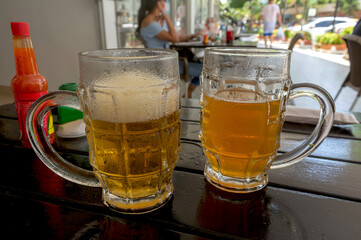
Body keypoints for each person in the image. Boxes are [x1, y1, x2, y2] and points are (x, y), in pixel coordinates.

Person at [136, 0, 202, 98]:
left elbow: (175, 37)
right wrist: (166, 17)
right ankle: (187, 94)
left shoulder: (155, 20)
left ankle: (187, 94)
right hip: (163, 64)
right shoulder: (149, 22)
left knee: (202, 66)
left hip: (168, 60)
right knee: (204, 70)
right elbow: (174, 39)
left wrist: (192, 36)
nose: (165, 2)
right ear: (158, 3)